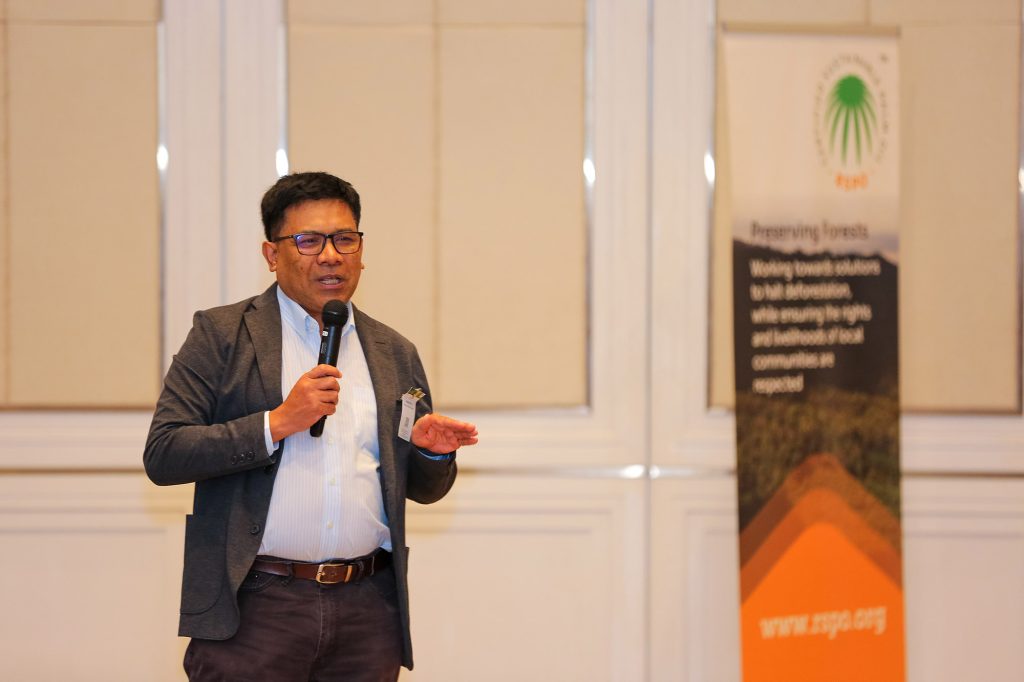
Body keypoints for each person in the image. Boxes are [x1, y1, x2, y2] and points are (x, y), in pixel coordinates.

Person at [144, 171, 478, 681]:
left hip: (368, 607)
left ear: (361, 251)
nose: (330, 256)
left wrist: (431, 454)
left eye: (345, 239)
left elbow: (423, 490)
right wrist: (276, 423)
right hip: (256, 606)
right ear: (271, 254)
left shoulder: (393, 351)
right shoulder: (221, 335)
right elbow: (165, 453)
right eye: (308, 241)